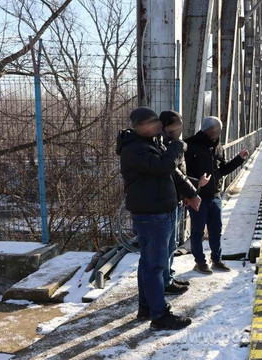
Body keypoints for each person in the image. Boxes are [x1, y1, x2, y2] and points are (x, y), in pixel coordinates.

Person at [116, 106, 191, 331]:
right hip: (152, 216)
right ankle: (160, 315)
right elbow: (162, 168)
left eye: (155, 122)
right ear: (138, 127)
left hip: (158, 212)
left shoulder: (149, 142)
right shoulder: (134, 149)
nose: (156, 126)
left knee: (148, 264)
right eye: (150, 123)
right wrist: (176, 146)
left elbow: (167, 171)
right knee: (155, 266)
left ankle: (147, 306)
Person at [185, 116, 249, 274]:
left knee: (216, 230)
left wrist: (239, 159)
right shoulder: (191, 145)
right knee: (197, 231)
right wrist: (196, 184)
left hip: (215, 195)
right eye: (214, 130)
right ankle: (200, 262)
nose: (217, 133)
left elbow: (222, 170)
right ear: (206, 129)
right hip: (197, 196)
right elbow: (182, 173)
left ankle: (216, 260)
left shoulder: (218, 147)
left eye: (219, 130)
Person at [158, 110, 208, 289]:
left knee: (170, 245)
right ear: (164, 126)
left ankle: (168, 277)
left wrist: (187, 192)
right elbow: (172, 173)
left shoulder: (173, 143)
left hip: (175, 199)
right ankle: (165, 282)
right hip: (165, 203)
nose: (179, 128)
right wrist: (192, 191)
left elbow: (179, 173)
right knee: (165, 246)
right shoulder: (165, 145)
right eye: (175, 125)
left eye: (180, 124)